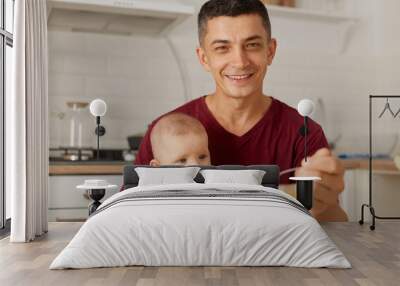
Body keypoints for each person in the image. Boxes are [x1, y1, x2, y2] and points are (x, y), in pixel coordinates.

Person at [135, 0, 347, 222]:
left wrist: (325, 203)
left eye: (252, 45)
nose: (240, 61)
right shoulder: (162, 132)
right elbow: (128, 217)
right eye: (222, 48)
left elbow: (336, 224)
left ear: (270, 51)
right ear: (204, 58)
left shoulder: (305, 133)